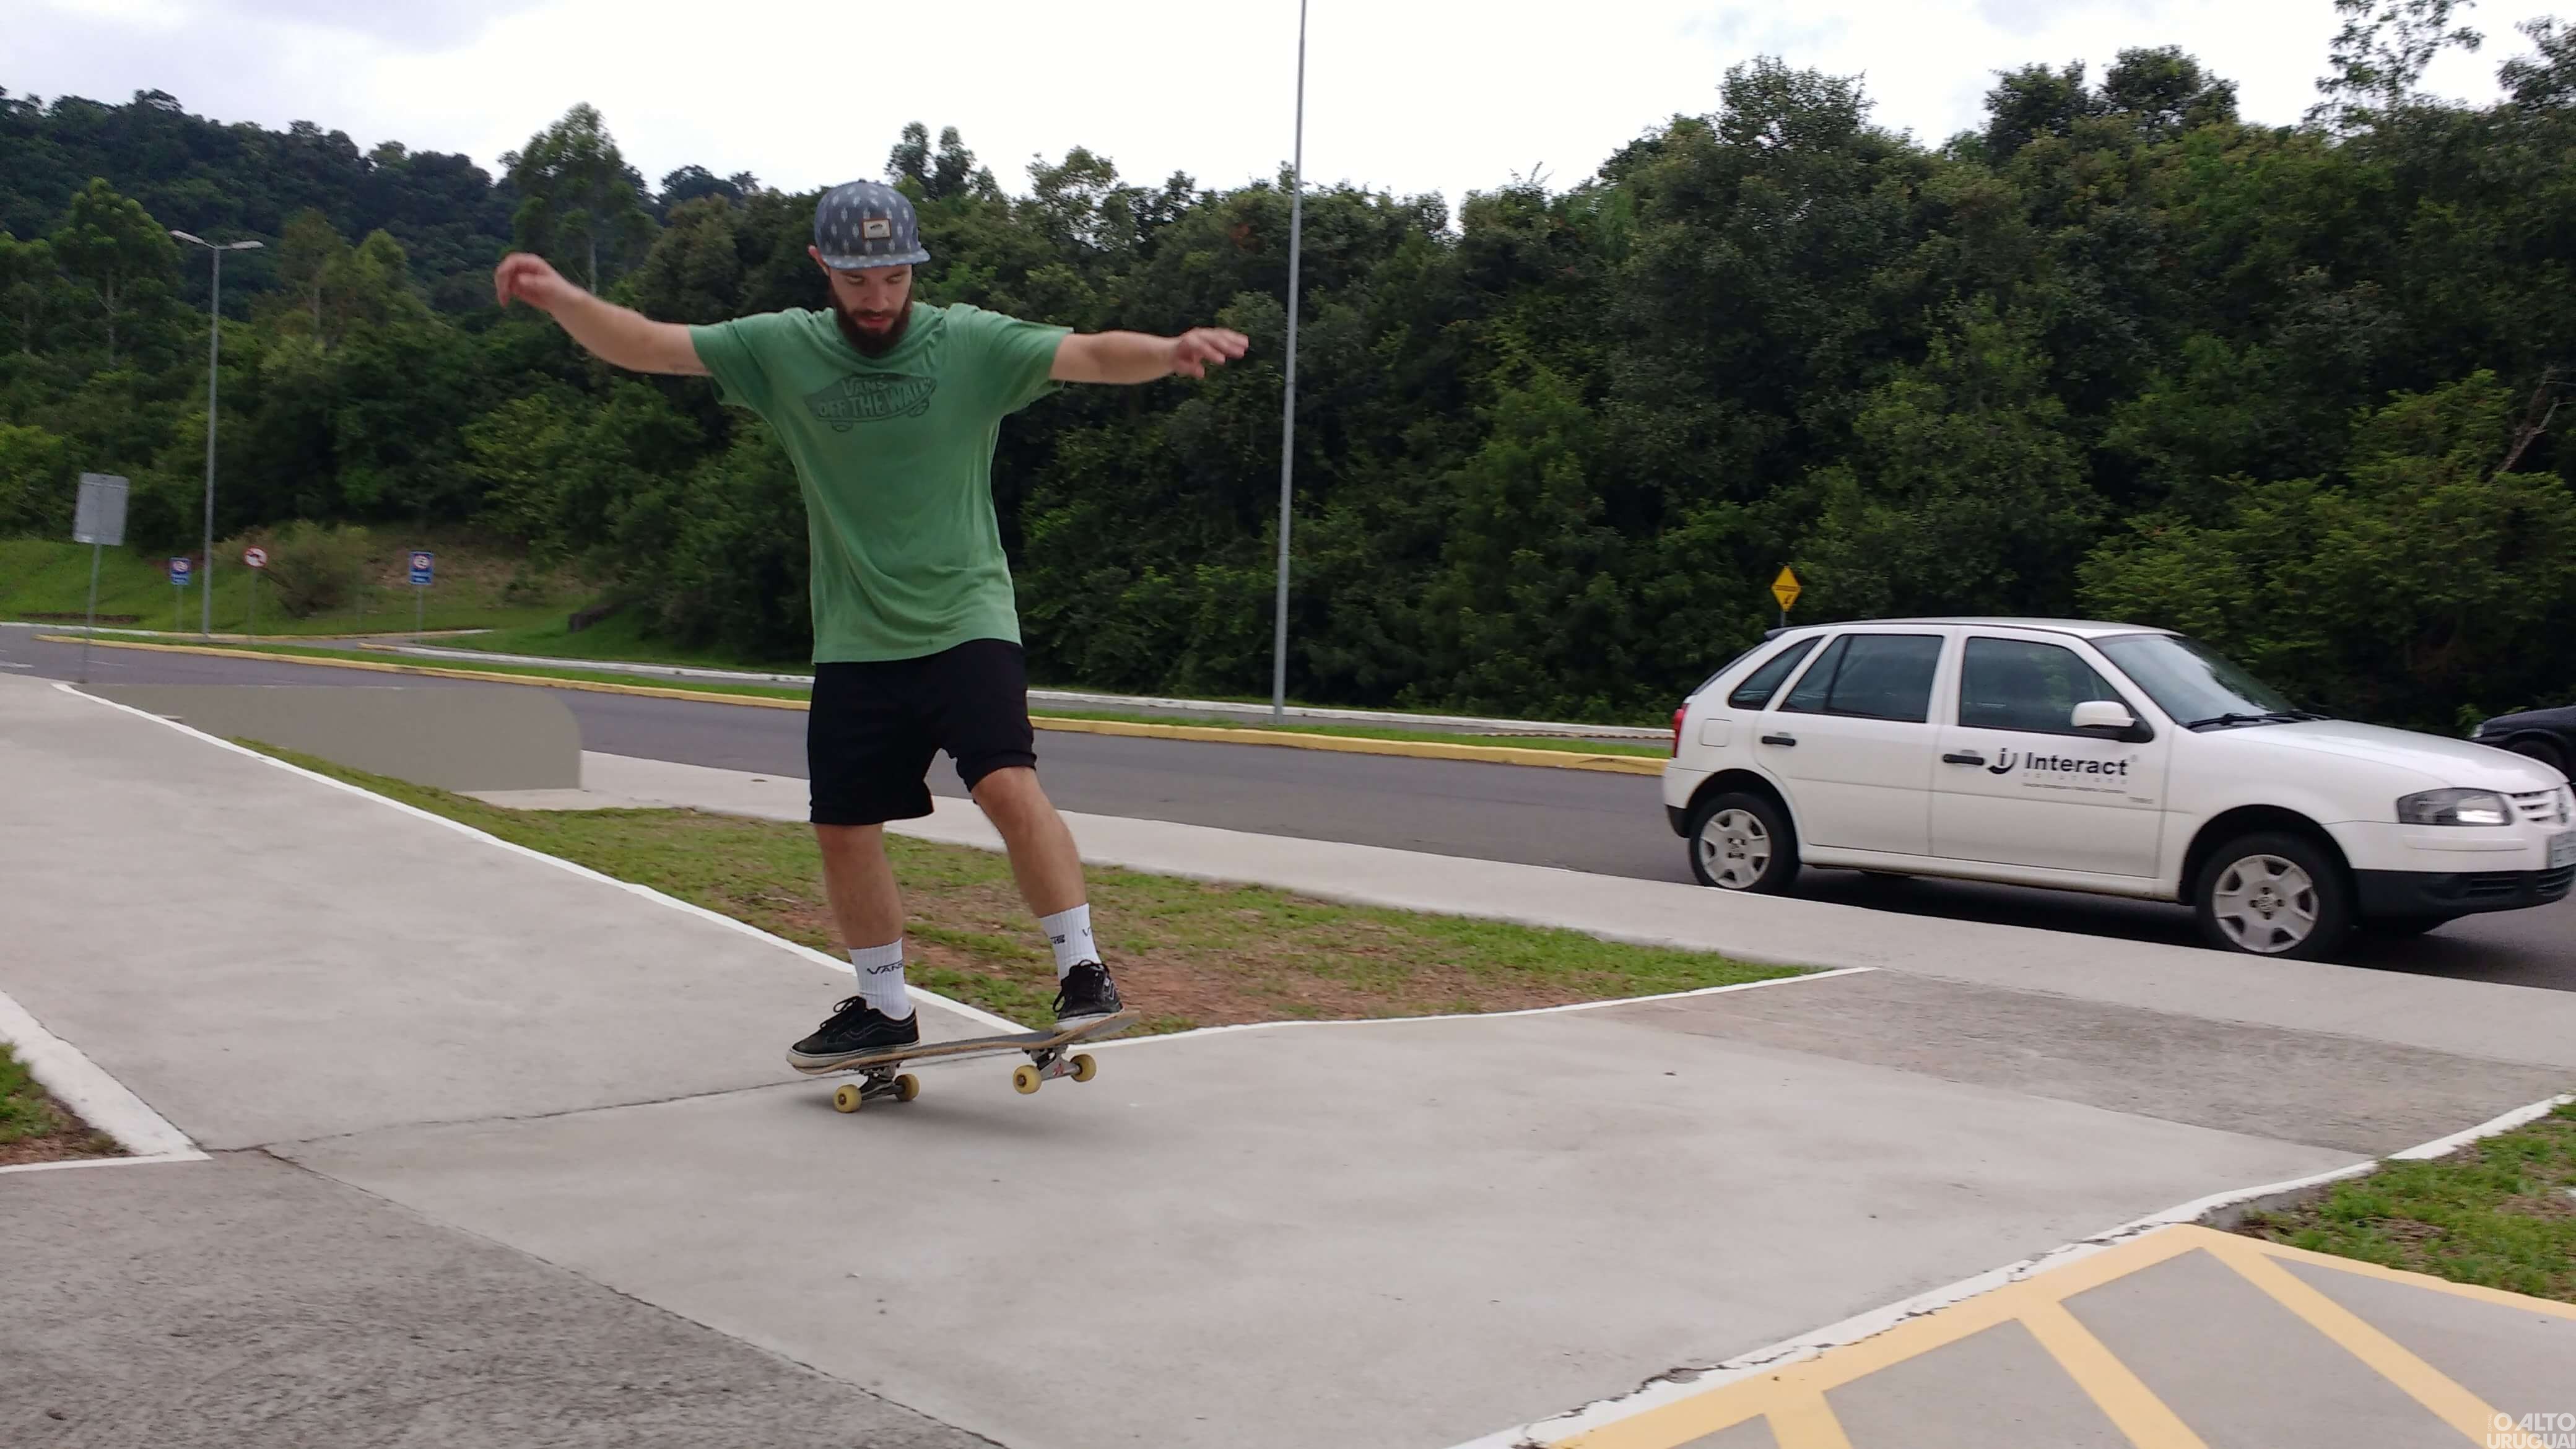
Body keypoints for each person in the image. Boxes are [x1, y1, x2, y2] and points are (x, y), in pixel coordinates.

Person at [494, 179, 1248, 1071]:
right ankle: (884, 1008)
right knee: (844, 827)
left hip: (967, 616)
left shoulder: (968, 343)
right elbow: (649, 345)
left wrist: (1168, 351)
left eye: (894, 278)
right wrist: (561, 297)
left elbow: (1086, 353)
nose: (879, 299)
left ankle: (1083, 972)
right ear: (823, 267)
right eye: (858, 281)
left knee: (1006, 782)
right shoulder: (783, 349)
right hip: (856, 636)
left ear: (914, 267)